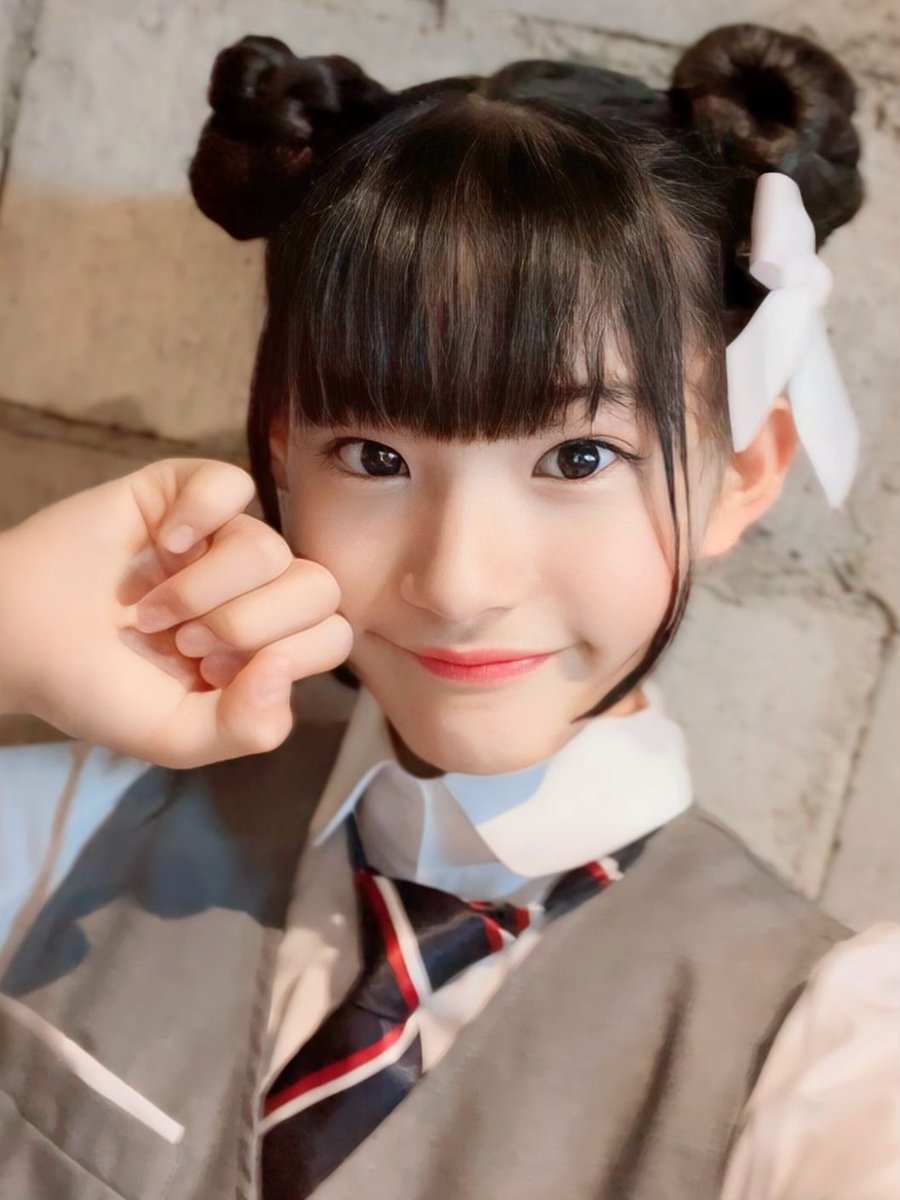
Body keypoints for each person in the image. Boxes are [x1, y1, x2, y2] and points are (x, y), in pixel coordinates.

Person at [0, 21, 895, 1200]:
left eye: (579, 458)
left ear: (742, 475)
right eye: (373, 456)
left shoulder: (830, 1051)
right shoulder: (84, 812)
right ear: (283, 453)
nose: (458, 582)